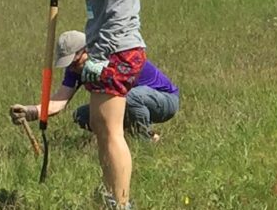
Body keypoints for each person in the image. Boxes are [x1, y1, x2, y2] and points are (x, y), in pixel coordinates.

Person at [52, 0, 146, 210]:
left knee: (110, 132)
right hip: (112, 51)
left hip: (116, 52)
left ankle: (120, 204)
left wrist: (95, 55)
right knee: (101, 126)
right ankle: (112, 196)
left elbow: (118, 13)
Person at [10, 30, 180, 141]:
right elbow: (59, 102)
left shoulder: (114, 55)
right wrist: (31, 111)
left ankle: (147, 140)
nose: (72, 68)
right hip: (126, 101)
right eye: (68, 65)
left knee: (130, 98)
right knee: (83, 115)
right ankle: (123, 140)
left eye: (75, 62)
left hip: (164, 101)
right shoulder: (75, 70)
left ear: (86, 50)